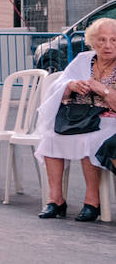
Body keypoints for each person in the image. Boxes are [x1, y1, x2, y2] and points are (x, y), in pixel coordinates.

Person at [34, 17, 116, 222]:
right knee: (51, 137)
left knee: (90, 141)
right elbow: (57, 87)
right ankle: (55, 200)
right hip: (78, 117)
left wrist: (103, 90)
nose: (108, 45)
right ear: (93, 42)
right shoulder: (83, 59)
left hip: (108, 120)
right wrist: (70, 86)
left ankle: (92, 202)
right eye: (102, 40)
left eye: (114, 40)